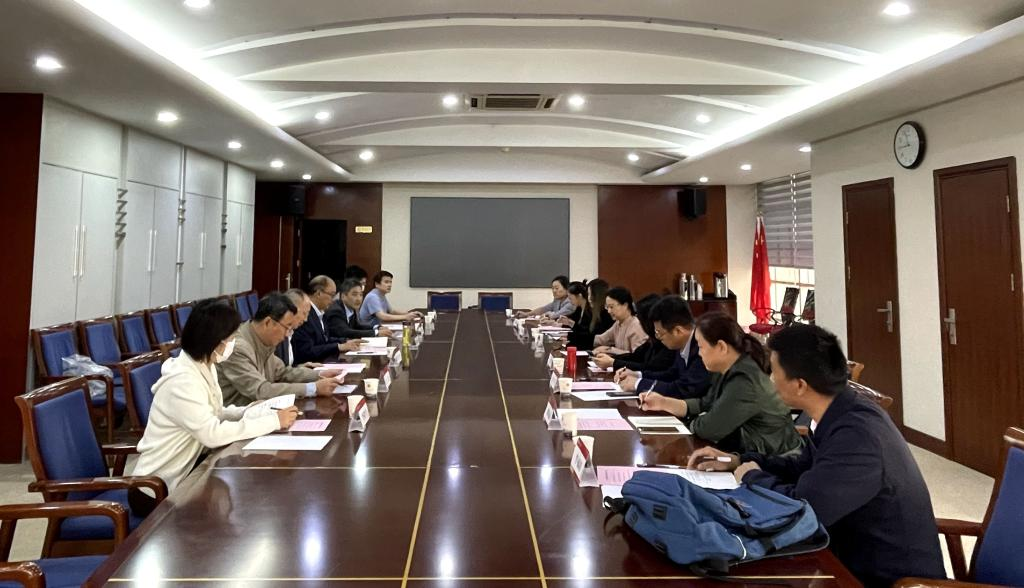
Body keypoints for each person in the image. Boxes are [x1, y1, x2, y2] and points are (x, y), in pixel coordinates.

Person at [687, 324, 945, 588]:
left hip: (887, 578)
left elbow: (804, 509)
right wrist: (739, 461)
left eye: (774, 373)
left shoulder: (858, 436)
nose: (770, 381)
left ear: (800, 385)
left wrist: (752, 477)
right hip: (844, 552)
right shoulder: (839, 410)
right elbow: (802, 467)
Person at [130, 299, 299, 513]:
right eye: (230, 339)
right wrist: (273, 421)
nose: (232, 344)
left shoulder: (204, 365)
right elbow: (212, 434)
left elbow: (215, 413)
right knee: (237, 504)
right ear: (213, 341)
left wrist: (250, 411)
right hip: (156, 489)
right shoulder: (182, 382)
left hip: (187, 474)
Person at [635, 312, 801, 456]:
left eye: (701, 347)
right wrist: (664, 402)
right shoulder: (727, 369)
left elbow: (710, 428)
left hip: (774, 460)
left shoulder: (745, 380)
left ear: (721, 347)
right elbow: (705, 403)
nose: (699, 354)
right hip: (747, 453)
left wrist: (686, 425)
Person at [218, 292, 343, 406]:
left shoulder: (261, 339)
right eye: (287, 327)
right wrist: (313, 388)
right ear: (268, 322)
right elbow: (260, 390)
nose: (288, 334)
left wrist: (319, 375)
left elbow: (282, 373)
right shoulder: (237, 348)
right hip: (238, 416)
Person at [615, 296, 710, 399]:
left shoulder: (703, 347)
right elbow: (671, 375)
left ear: (677, 331)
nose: (657, 337)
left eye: (659, 333)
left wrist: (638, 384)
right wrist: (638, 375)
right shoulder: (683, 343)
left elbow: (684, 389)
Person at [592, 293, 675, 372]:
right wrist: (612, 359)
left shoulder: (667, 342)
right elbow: (635, 356)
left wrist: (613, 361)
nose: (609, 311)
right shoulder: (652, 340)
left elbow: (650, 368)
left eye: (611, 307)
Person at [292, 275, 363, 364]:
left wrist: (346, 341)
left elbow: (325, 339)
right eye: (332, 295)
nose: (333, 300)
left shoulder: (321, 312)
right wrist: (338, 347)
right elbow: (306, 351)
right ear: (319, 293)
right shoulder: (305, 315)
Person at [324, 277, 394, 340]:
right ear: (343, 296)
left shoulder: (350, 307)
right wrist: (376, 333)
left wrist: (377, 327)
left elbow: (357, 326)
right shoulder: (336, 310)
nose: (358, 299)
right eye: (354, 294)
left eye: (361, 295)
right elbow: (346, 332)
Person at [591, 287, 647, 355]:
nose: (609, 311)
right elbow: (601, 340)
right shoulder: (618, 324)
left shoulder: (636, 326)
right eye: (607, 307)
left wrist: (610, 350)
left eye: (611, 307)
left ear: (625, 305)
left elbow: (637, 356)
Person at [357, 270, 422, 328]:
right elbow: (382, 316)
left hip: (378, 327)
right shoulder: (372, 297)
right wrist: (405, 317)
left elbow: (391, 311)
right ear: (377, 284)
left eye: (390, 282)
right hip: (368, 330)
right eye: (386, 282)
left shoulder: (381, 294)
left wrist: (410, 313)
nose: (389, 285)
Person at [562, 280, 614, 349]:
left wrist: (572, 337)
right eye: (588, 294)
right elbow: (589, 334)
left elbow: (597, 338)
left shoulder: (606, 314)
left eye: (590, 294)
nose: (588, 298)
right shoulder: (596, 312)